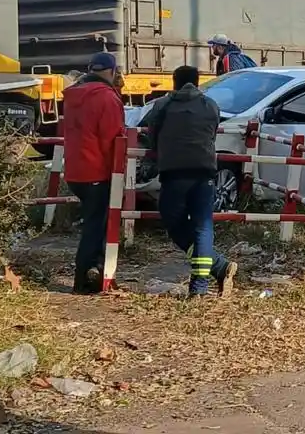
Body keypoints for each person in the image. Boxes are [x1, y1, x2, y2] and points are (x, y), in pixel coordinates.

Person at [143, 65, 238, 297]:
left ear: (174, 82)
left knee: (173, 222)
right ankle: (201, 286)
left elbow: (151, 134)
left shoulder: (163, 105)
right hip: (204, 172)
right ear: (197, 82)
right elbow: (212, 132)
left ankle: (217, 267)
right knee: (202, 227)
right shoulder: (210, 105)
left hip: (174, 172)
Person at [62, 52, 125, 294]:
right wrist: (118, 170)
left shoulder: (73, 95)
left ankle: (94, 274)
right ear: (112, 71)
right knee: (96, 227)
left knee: (92, 223)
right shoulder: (107, 98)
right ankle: (86, 280)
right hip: (97, 171)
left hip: (75, 170)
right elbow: (113, 138)